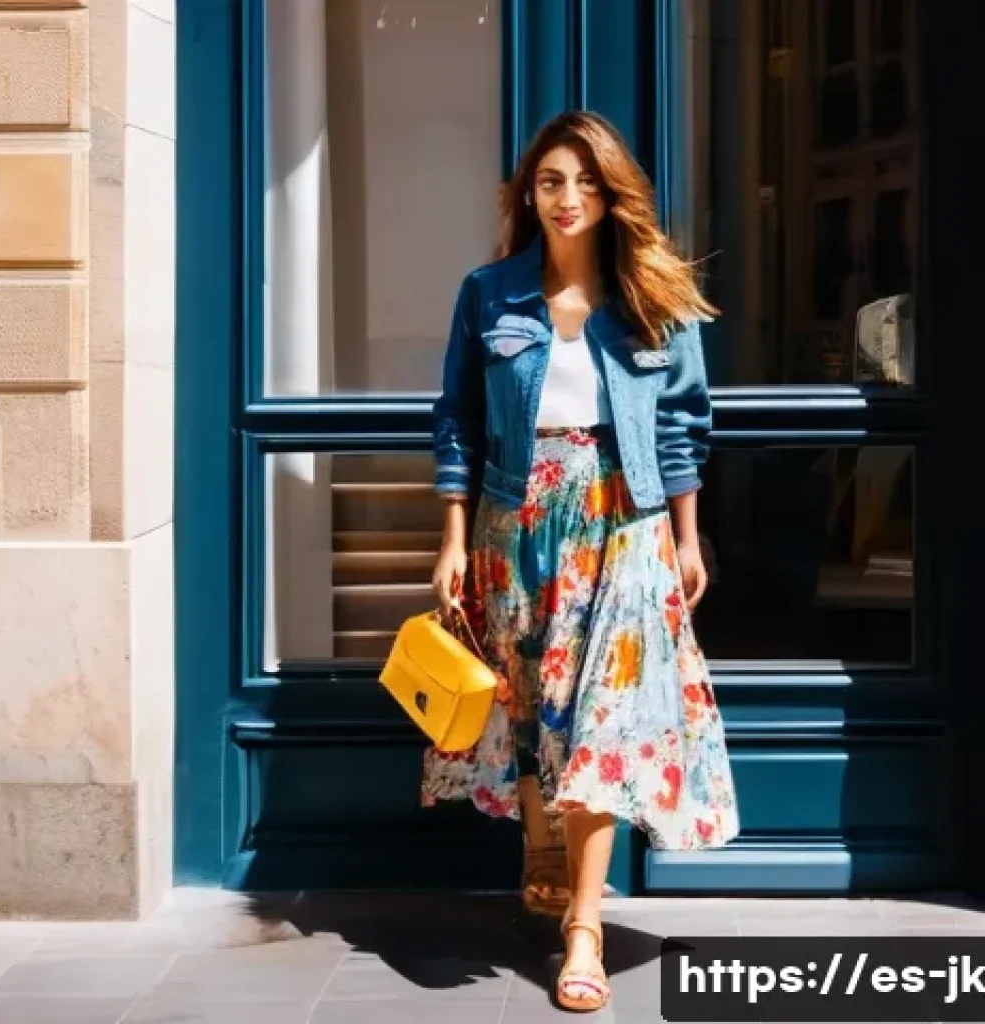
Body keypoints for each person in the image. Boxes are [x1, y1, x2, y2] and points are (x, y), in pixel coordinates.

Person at [421, 110, 740, 1012]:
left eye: (587, 183)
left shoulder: (653, 299)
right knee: (527, 708)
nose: (568, 199)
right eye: (552, 182)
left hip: (622, 524)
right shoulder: (490, 293)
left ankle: (585, 929)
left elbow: (682, 426)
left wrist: (685, 536)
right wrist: (451, 539)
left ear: (612, 196)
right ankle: (543, 850)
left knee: (601, 726)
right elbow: (458, 420)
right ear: (530, 193)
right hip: (513, 521)